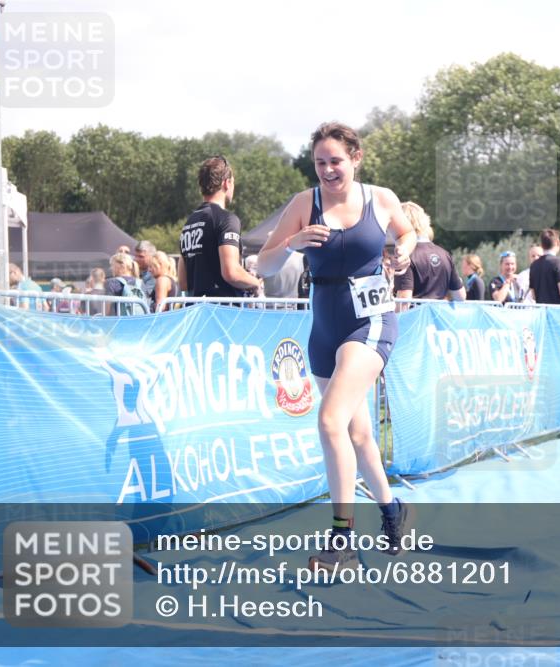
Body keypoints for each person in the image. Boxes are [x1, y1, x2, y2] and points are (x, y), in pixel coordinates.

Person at [255, 122, 417, 572]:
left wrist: (404, 250)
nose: (328, 170)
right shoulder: (303, 204)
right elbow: (265, 264)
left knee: (329, 421)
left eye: (336, 161)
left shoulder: (379, 198)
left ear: (356, 158)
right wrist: (293, 242)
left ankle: (342, 537)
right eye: (320, 162)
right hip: (324, 327)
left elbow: (408, 233)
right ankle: (392, 512)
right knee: (357, 433)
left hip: (371, 320)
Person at [178, 155, 261, 299]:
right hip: (223, 313)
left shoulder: (189, 223)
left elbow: (184, 283)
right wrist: (255, 282)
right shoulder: (227, 219)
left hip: (196, 311)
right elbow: (231, 272)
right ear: (227, 183)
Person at [392, 202, 464, 303]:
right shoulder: (445, 254)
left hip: (416, 318)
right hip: (440, 317)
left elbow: (403, 301)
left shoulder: (405, 255)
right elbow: (460, 296)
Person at [528, 229, 560, 305]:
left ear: (542, 245)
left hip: (541, 311)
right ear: (557, 243)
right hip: (557, 311)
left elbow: (533, 295)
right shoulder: (558, 263)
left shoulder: (534, 265)